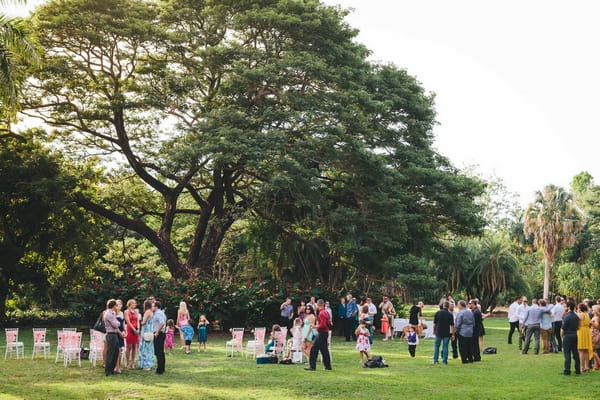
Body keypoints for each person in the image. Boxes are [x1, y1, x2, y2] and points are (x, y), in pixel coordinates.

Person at [305, 299, 332, 371]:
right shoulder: (326, 312)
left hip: (322, 333)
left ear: (318, 304)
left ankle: (312, 366)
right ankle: (328, 366)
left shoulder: (321, 313)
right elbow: (329, 323)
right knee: (324, 350)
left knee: (314, 349)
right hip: (325, 333)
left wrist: (315, 326)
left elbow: (322, 325)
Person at [103, 299, 122, 377]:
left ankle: (112, 368)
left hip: (114, 334)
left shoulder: (112, 313)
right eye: (116, 305)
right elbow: (116, 324)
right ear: (114, 306)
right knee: (111, 352)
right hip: (111, 334)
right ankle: (108, 371)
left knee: (116, 352)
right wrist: (118, 323)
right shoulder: (109, 314)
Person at [561, 301, 580, 375]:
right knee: (575, 353)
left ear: (568, 307)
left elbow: (563, 328)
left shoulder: (567, 316)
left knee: (567, 353)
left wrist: (562, 336)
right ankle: (577, 369)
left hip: (568, 335)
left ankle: (567, 370)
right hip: (575, 335)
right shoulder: (576, 316)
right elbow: (578, 326)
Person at [433, 301, 454, 365]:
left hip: (438, 332)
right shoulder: (450, 314)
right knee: (445, 347)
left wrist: (434, 330)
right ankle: (444, 361)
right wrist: (453, 334)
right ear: (448, 306)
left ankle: (435, 360)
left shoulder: (438, 313)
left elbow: (434, 324)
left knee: (437, 346)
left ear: (443, 306)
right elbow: (452, 325)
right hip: (446, 332)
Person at [576, 303, 593, 372]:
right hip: (587, 331)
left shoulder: (581, 314)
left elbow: (577, 322)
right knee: (586, 350)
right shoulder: (587, 314)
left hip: (581, 331)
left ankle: (582, 367)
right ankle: (587, 366)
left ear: (580, 308)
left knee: (581, 350)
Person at [138, 300, 155, 370]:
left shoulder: (147, 312)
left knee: (145, 348)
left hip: (145, 331)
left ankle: (145, 365)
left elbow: (144, 322)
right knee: (149, 348)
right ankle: (149, 363)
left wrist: (139, 321)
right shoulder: (151, 312)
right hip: (150, 331)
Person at [124, 299, 140, 369]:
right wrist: (133, 329)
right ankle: (127, 362)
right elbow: (128, 322)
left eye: (135, 303)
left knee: (135, 346)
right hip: (130, 329)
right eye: (133, 303)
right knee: (129, 346)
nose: (135, 305)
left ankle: (132, 362)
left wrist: (138, 328)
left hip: (136, 329)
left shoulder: (136, 311)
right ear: (129, 304)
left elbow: (138, 321)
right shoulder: (126, 312)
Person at [152, 301, 167, 375]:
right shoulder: (161, 313)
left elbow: (162, 323)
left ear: (156, 306)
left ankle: (160, 369)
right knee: (160, 351)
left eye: (152, 306)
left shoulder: (158, 313)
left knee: (159, 352)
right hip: (160, 333)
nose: (151, 307)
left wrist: (157, 331)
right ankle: (162, 368)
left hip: (159, 333)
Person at [114, 299, 126, 374]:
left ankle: (119, 366)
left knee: (120, 350)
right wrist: (119, 332)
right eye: (117, 304)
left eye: (120, 304)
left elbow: (123, 323)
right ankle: (116, 366)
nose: (119, 306)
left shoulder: (122, 313)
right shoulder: (113, 313)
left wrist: (124, 331)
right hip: (116, 332)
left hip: (121, 332)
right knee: (116, 350)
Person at [590, 305, 600, 370]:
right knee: (595, 350)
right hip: (594, 333)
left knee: (592, 350)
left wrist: (591, 323)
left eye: (593, 310)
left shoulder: (596, 317)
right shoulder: (595, 317)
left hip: (594, 333)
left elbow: (597, 326)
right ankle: (596, 366)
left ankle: (598, 362)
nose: (591, 311)